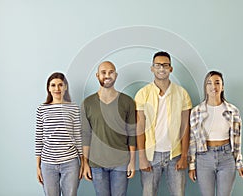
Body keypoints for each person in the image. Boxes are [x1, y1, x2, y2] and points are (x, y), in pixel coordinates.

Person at [135, 51, 192, 196]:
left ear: (171, 68)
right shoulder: (143, 94)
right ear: (152, 68)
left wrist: (184, 156)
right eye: (158, 65)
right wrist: (141, 157)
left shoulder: (182, 93)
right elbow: (140, 127)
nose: (162, 68)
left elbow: (186, 127)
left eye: (165, 65)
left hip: (175, 155)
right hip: (150, 155)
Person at [81, 61, 136, 196]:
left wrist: (132, 162)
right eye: (103, 72)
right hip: (96, 164)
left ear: (116, 75)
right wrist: (85, 163)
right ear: (97, 75)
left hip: (121, 163)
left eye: (111, 72)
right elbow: (85, 135)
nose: (107, 75)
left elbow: (132, 134)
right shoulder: (87, 103)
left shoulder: (127, 101)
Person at [188, 71, 243, 196]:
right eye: (209, 83)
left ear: (222, 86)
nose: (213, 87)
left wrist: (239, 163)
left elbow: (237, 141)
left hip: (226, 157)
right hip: (204, 158)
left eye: (217, 83)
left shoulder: (232, 111)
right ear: (205, 87)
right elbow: (192, 140)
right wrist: (192, 165)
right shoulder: (196, 111)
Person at [35, 72, 83, 196]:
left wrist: (82, 162)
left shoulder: (73, 108)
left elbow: (78, 136)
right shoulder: (42, 109)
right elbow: (39, 138)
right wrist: (38, 166)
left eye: (60, 85)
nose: (57, 89)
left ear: (65, 87)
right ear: (48, 88)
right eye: (53, 85)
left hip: (70, 162)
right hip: (48, 163)